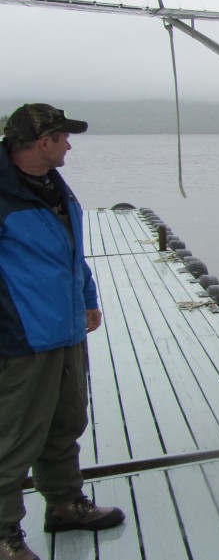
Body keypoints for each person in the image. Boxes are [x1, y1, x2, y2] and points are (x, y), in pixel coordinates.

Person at [0, 104, 124, 560]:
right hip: (23, 337)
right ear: (41, 143)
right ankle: (4, 533)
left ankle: (65, 503)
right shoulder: (4, 193)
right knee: (13, 437)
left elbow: (70, 252)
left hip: (65, 329)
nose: (69, 144)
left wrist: (87, 298)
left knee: (65, 424)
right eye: (63, 137)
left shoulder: (53, 186)